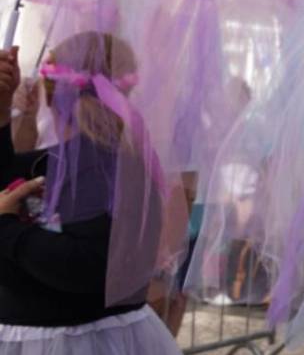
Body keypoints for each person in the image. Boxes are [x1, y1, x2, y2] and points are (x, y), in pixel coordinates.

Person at [0, 37, 182, 354]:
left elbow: (89, 265)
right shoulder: (102, 161)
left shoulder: (103, 168)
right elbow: (6, 178)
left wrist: (6, 230)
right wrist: (3, 115)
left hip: (71, 342)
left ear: (50, 96)